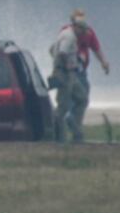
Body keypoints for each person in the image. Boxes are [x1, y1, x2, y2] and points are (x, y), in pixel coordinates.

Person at [47, 9, 110, 143]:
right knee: (62, 106)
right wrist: (66, 67)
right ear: (74, 25)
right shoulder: (68, 36)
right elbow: (61, 53)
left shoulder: (81, 34)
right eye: (81, 28)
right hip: (66, 75)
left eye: (84, 28)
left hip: (74, 74)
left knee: (82, 98)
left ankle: (74, 126)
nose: (84, 31)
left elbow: (52, 49)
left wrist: (103, 62)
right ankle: (58, 137)